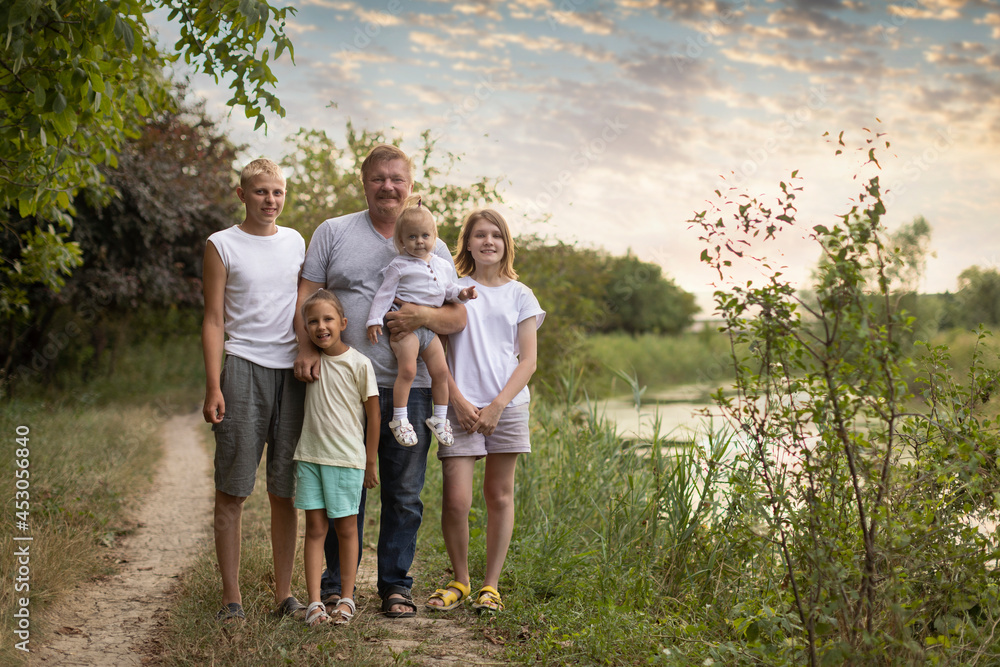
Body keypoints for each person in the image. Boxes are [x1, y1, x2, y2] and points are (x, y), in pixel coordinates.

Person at [294, 144, 467, 619]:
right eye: (378, 178)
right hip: (344, 385)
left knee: (404, 493)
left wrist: (420, 315)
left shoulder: (432, 244)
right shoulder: (334, 232)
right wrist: (307, 346)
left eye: (397, 179)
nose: (388, 186)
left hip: (410, 390)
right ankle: (334, 586)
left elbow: (456, 318)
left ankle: (395, 586)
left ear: (410, 186)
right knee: (342, 487)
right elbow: (307, 293)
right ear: (364, 182)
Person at [201, 158, 307, 623]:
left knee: (285, 492)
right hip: (242, 369)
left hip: (292, 374)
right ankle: (231, 598)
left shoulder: (296, 241)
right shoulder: (221, 245)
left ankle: (285, 595)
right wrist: (213, 386)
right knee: (233, 489)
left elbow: (306, 305)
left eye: (278, 192)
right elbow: (213, 319)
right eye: (262, 192)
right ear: (243, 194)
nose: (271, 200)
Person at [425, 209, 544, 615]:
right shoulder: (453, 289)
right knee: (456, 500)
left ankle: (490, 586)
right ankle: (460, 579)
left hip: (507, 406)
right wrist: (456, 400)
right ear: (468, 242)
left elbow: (527, 361)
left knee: (499, 495)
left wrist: (497, 406)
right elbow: (435, 351)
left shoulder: (520, 293)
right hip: (458, 406)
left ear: (506, 243)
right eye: (480, 235)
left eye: (496, 235)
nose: (488, 241)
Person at [294, 289, 380, 626]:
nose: (320, 326)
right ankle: (315, 601)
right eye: (312, 321)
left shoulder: (359, 363)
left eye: (328, 319)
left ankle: (346, 598)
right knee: (315, 529)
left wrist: (370, 461)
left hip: (346, 459)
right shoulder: (308, 361)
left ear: (343, 323)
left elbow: (374, 416)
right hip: (310, 457)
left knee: (346, 529)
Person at [366, 196, 476, 448]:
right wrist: (374, 320)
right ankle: (400, 419)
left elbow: (448, 290)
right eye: (412, 237)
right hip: (406, 331)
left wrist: (463, 294)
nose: (419, 242)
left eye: (425, 236)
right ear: (401, 240)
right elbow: (384, 294)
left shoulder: (441, 264)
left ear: (434, 237)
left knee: (439, 372)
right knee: (408, 371)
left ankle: (439, 418)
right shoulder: (399, 265)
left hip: (429, 331)